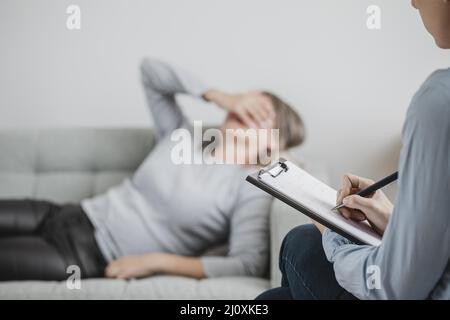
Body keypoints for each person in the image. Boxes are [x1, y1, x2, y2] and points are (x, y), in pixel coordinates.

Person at [0, 58, 305, 281]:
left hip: (84, 256)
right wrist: (219, 95)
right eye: (246, 102)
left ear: (273, 138)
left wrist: (156, 261)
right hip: (64, 213)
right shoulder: (182, 135)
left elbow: (247, 264)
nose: (245, 110)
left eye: (261, 112)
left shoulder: (248, 187)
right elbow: (150, 71)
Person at [257, 0, 450, 300]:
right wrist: (395, 220)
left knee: (301, 244)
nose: (412, 2)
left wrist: (334, 234)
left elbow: (394, 287)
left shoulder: (439, 101)